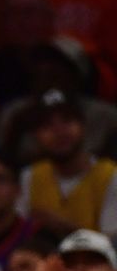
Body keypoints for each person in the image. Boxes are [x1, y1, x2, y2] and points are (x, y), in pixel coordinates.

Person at [18, 88, 117, 238]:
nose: (59, 131)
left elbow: (112, 245)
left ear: (83, 126)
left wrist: (62, 227)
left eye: (67, 120)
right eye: (47, 125)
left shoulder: (110, 175)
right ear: (36, 136)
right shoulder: (29, 176)